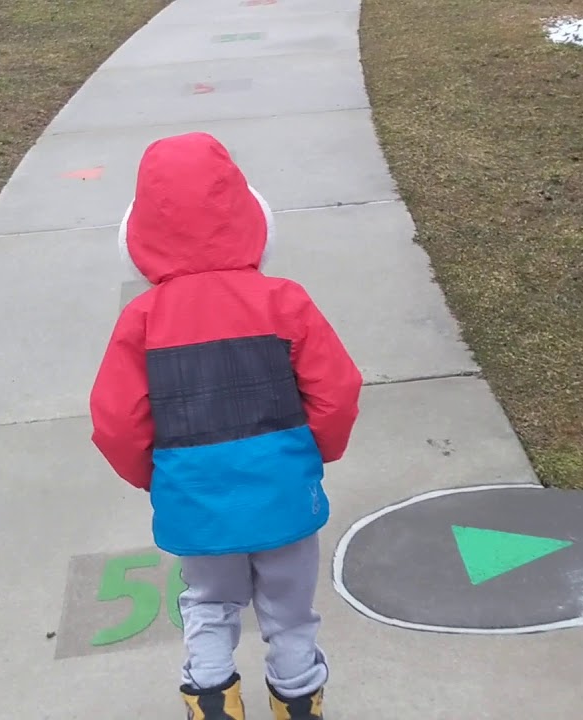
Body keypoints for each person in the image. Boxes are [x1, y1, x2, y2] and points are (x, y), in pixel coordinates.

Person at [88, 131, 362, 720]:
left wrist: (158, 478)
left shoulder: (141, 320)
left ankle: (211, 698)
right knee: (289, 611)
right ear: (250, 215)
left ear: (138, 235)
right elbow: (336, 392)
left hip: (196, 502)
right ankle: (297, 700)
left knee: (209, 602)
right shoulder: (284, 301)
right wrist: (316, 455)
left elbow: (115, 420)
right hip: (284, 495)